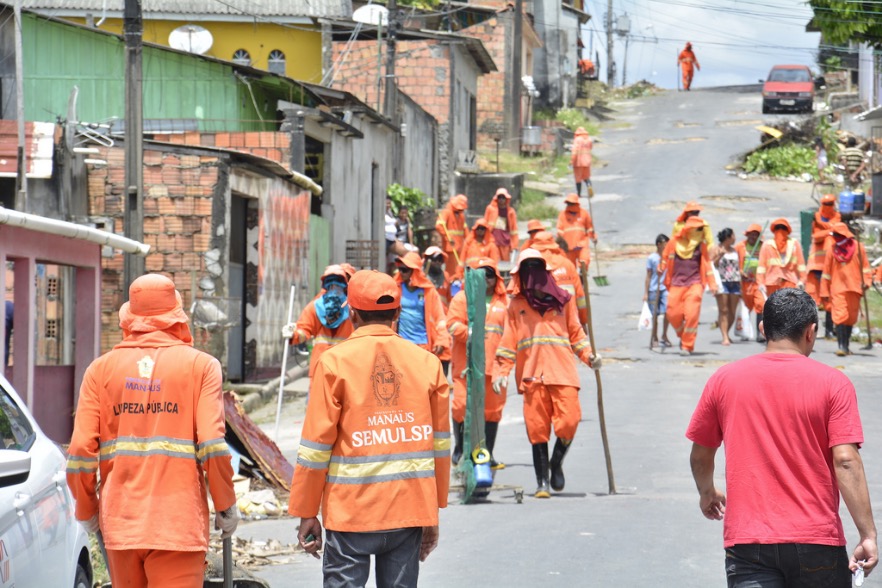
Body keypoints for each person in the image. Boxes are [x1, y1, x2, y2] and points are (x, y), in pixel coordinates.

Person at [686, 288, 877, 585]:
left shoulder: (723, 380)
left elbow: (700, 455)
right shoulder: (834, 384)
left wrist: (707, 493)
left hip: (748, 543)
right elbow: (846, 461)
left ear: (763, 329)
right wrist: (867, 534)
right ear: (811, 332)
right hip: (817, 541)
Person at [66, 274, 237, 587]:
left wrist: (87, 508)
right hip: (178, 523)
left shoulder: (100, 370)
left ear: (129, 315)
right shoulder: (202, 367)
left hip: (121, 523)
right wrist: (225, 504)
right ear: (177, 315)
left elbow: (79, 450)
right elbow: (213, 444)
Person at [288, 270, 450, 586]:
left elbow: (316, 447)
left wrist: (307, 511)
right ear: (398, 313)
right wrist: (432, 512)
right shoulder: (428, 364)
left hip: (350, 513)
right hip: (409, 508)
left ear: (352, 312)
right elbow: (439, 445)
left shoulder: (334, 363)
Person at [494, 249, 600, 498]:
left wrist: (590, 357)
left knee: (569, 422)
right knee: (537, 429)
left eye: (535, 267)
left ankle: (556, 462)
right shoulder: (517, 306)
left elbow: (576, 335)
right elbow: (508, 343)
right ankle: (542, 483)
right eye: (527, 269)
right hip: (532, 376)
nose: (532, 274)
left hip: (562, 372)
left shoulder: (564, 301)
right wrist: (501, 372)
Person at [446, 257, 509, 468]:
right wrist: (469, 333)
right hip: (466, 367)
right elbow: (452, 325)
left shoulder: (504, 302)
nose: (486, 279)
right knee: (461, 406)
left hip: (494, 367)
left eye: (490, 274)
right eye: (481, 274)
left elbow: (512, 333)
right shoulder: (462, 299)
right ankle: (461, 448)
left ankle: (487, 454)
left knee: (492, 411)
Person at [282, 265, 355, 384]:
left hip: (339, 368)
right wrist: (292, 334)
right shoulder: (318, 306)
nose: (334, 286)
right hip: (331, 368)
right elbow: (304, 329)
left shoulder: (351, 308)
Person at [660, 216, 716, 355]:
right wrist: (661, 267)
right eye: (697, 229)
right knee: (672, 313)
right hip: (676, 284)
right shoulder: (674, 242)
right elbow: (665, 257)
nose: (700, 232)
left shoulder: (701, 246)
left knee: (691, 315)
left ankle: (687, 345)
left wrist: (712, 284)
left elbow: (707, 265)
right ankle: (682, 336)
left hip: (694, 284)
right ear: (689, 230)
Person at [821, 222, 873, 357]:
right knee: (840, 316)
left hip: (855, 287)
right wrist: (824, 291)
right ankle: (842, 347)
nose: (836, 237)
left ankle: (846, 345)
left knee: (850, 317)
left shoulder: (859, 247)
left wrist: (866, 282)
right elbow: (826, 272)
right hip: (837, 288)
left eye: (838, 235)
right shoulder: (832, 250)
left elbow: (866, 268)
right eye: (834, 235)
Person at [394, 251, 450, 358]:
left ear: (414, 271)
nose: (401, 272)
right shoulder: (396, 288)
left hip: (422, 345)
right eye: (400, 269)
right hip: (401, 345)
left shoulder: (429, 291)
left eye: (405, 270)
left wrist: (441, 339)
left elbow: (440, 318)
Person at [531, 230, 589, 325]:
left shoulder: (530, 266)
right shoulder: (567, 264)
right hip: (569, 321)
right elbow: (580, 296)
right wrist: (583, 321)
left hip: (542, 324)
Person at [807, 194, 841, 339]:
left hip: (830, 266)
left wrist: (825, 230)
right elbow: (815, 236)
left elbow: (832, 229)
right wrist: (829, 231)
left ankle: (828, 330)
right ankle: (811, 331)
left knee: (828, 300)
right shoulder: (816, 215)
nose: (828, 205)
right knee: (814, 300)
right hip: (816, 265)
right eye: (826, 203)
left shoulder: (836, 216)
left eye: (830, 203)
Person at [757, 218, 806, 305]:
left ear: (787, 230)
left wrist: (802, 281)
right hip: (772, 284)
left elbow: (801, 266)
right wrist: (761, 283)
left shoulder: (794, 244)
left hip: (790, 283)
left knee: (789, 311)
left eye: (783, 228)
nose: (780, 231)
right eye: (778, 228)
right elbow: (761, 268)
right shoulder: (767, 245)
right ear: (774, 230)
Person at [735, 224, 765, 342]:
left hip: (758, 282)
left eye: (755, 235)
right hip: (744, 283)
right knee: (745, 308)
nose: (753, 237)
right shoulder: (740, 246)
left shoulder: (763, 247)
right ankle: (744, 332)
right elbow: (733, 263)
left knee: (761, 305)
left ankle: (760, 333)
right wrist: (740, 271)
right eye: (751, 234)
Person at [711, 228, 741, 346]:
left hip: (735, 282)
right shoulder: (716, 249)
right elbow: (712, 265)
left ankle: (726, 332)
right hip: (722, 282)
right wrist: (720, 256)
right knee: (723, 310)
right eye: (733, 235)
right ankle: (724, 336)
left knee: (732, 311)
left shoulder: (734, 250)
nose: (735, 238)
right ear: (728, 237)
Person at [645, 233, 672, 349]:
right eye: (665, 244)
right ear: (659, 244)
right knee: (654, 315)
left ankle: (664, 335)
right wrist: (646, 293)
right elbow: (648, 276)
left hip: (665, 288)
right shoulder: (652, 258)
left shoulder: (669, 257)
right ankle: (654, 336)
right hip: (654, 289)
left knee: (668, 312)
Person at [556, 193, 596, 269]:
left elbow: (589, 227)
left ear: (576, 203)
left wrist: (593, 237)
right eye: (568, 203)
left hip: (582, 245)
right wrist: (560, 245)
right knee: (570, 268)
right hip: (569, 246)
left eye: (571, 203)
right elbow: (559, 230)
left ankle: (583, 276)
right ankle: (575, 280)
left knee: (584, 262)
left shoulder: (584, 213)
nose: (569, 205)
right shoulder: (562, 215)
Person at [435, 194, 469, 279]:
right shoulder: (446, 212)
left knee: (460, 267)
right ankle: (450, 285)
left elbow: (465, 230)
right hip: (451, 247)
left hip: (460, 247)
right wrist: (448, 238)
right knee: (451, 269)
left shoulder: (461, 215)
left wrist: (470, 241)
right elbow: (439, 226)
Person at [484, 187, 519, 261]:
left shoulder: (510, 212)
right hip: (492, 241)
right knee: (492, 263)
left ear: (506, 199)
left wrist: (514, 244)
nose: (501, 199)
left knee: (505, 264)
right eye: (499, 197)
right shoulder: (490, 209)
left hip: (505, 242)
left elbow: (514, 229)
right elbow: (484, 224)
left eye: (503, 197)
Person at [570, 127, 594, 198]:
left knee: (578, 178)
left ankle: (579, 194)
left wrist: (571, 161)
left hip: (578, 162)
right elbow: (590, 148)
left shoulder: (577, 140)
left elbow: (575, 151)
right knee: (586, 177)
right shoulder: (589, 139)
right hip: (587, 161)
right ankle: (589, 186)